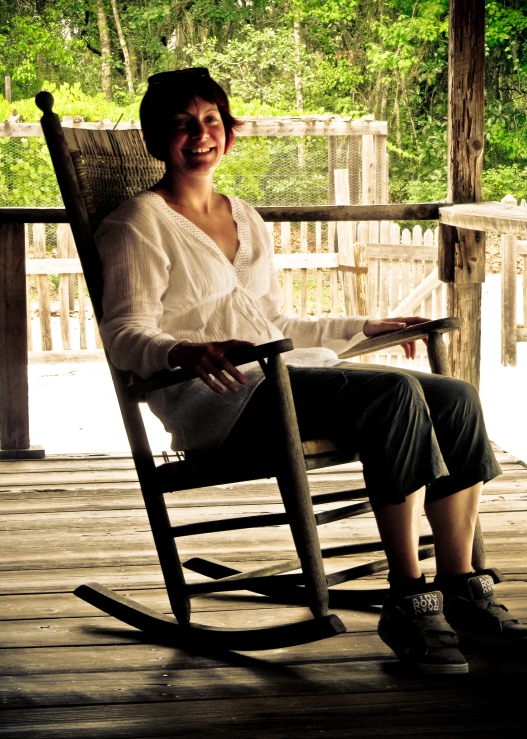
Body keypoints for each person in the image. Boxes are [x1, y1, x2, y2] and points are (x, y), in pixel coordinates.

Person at [95, 67, 526, 673]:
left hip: (283, 380)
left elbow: (276, 324)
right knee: (396, 396)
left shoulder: (242, 215)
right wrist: (183, 351)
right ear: (154, 141)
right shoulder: (137, 222)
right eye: (182, 126)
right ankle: (409, 597)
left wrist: (359, 327)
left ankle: (461, 588)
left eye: (212, 121)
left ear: (230, 132)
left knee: (454, 396)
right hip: (220, 401)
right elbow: (123, 332)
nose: (200, 135)